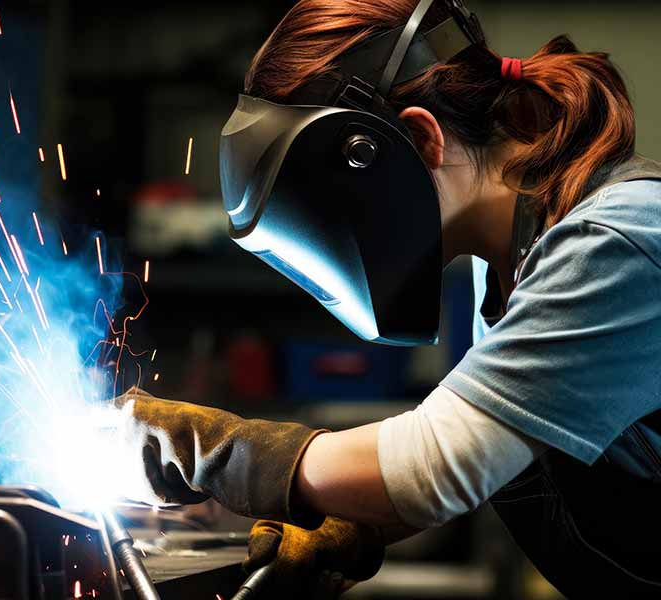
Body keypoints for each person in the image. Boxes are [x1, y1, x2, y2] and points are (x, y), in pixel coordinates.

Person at [118, 0, 661, 597]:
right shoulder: (506, 271)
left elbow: (433, 468)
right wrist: (352, 522)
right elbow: (494, 449)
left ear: (421, 140)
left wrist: (211, 450)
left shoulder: (612, 242)